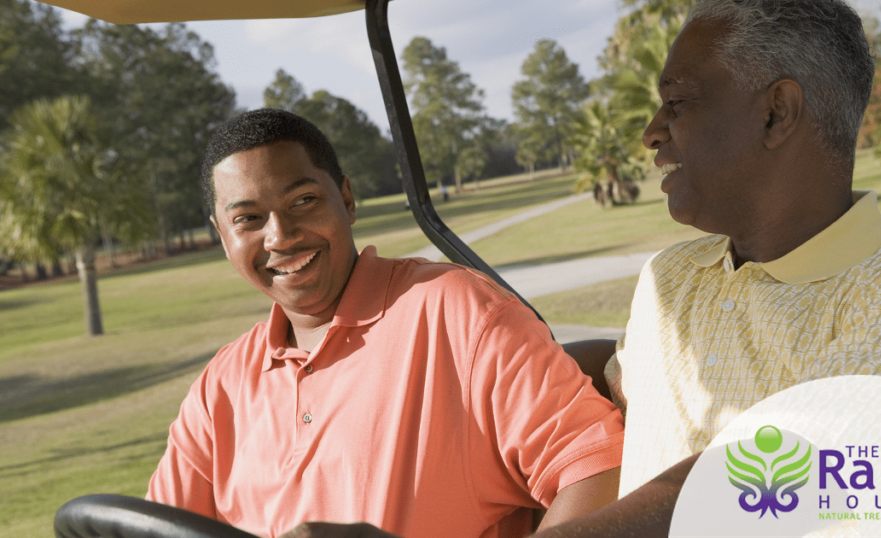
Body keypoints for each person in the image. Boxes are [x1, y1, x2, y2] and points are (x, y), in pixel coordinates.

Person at [313, 1, 881, 536]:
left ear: (777, 114)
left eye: (676, 104)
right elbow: (623, 383)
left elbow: (767, 480)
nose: (651, 132)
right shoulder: (674, 279)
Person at [146, 108, 624, 538]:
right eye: (248, 219)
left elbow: (600, 469)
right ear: (222, 235)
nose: (280, 236)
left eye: (303, 202)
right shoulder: (220, 388)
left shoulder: (456, 312)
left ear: (347, 199)